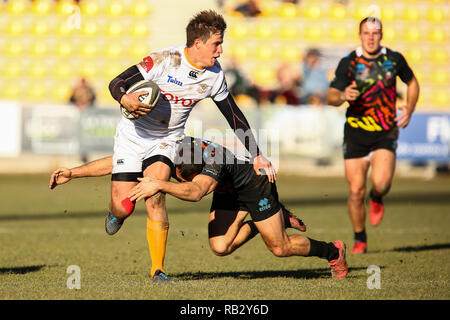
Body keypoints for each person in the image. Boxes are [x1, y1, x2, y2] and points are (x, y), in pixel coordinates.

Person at [106, 10, 276, 282]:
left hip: (167, 139)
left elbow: (233, 115)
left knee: (156, 193)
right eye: (216, 44)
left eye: (221, 44)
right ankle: (117, 214)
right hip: (133, 135)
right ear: (197, 43)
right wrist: (124, 98)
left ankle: (158, 270)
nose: (220, 51)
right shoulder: (164, 59)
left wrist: (256, 154)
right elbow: (117, 82)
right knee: (122, 207)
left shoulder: (214, 76)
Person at [49, 137, 348, 280]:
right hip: (230, 195)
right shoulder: (171, 150)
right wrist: (73, 173)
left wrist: (160, 185)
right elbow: (119, 161)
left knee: (280, 248)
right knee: (220, 247)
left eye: (174, 176)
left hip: (255, 188)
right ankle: (270, 219)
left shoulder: (212, 162)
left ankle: (333, 252)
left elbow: (195, 193)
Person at [325, 17, 420, 254]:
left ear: (381, 35)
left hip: (385, 131)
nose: (371, 37)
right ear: (360, 35)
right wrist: (344, 95)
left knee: (381, 183)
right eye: (366, 33)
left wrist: (409, 107)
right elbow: (331, 97)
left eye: (375, 33)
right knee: (356, 190)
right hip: (356, 132)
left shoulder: (394, 59)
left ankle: (377, 196)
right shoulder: (349, 63)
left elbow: (413, 83)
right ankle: (360, 237)